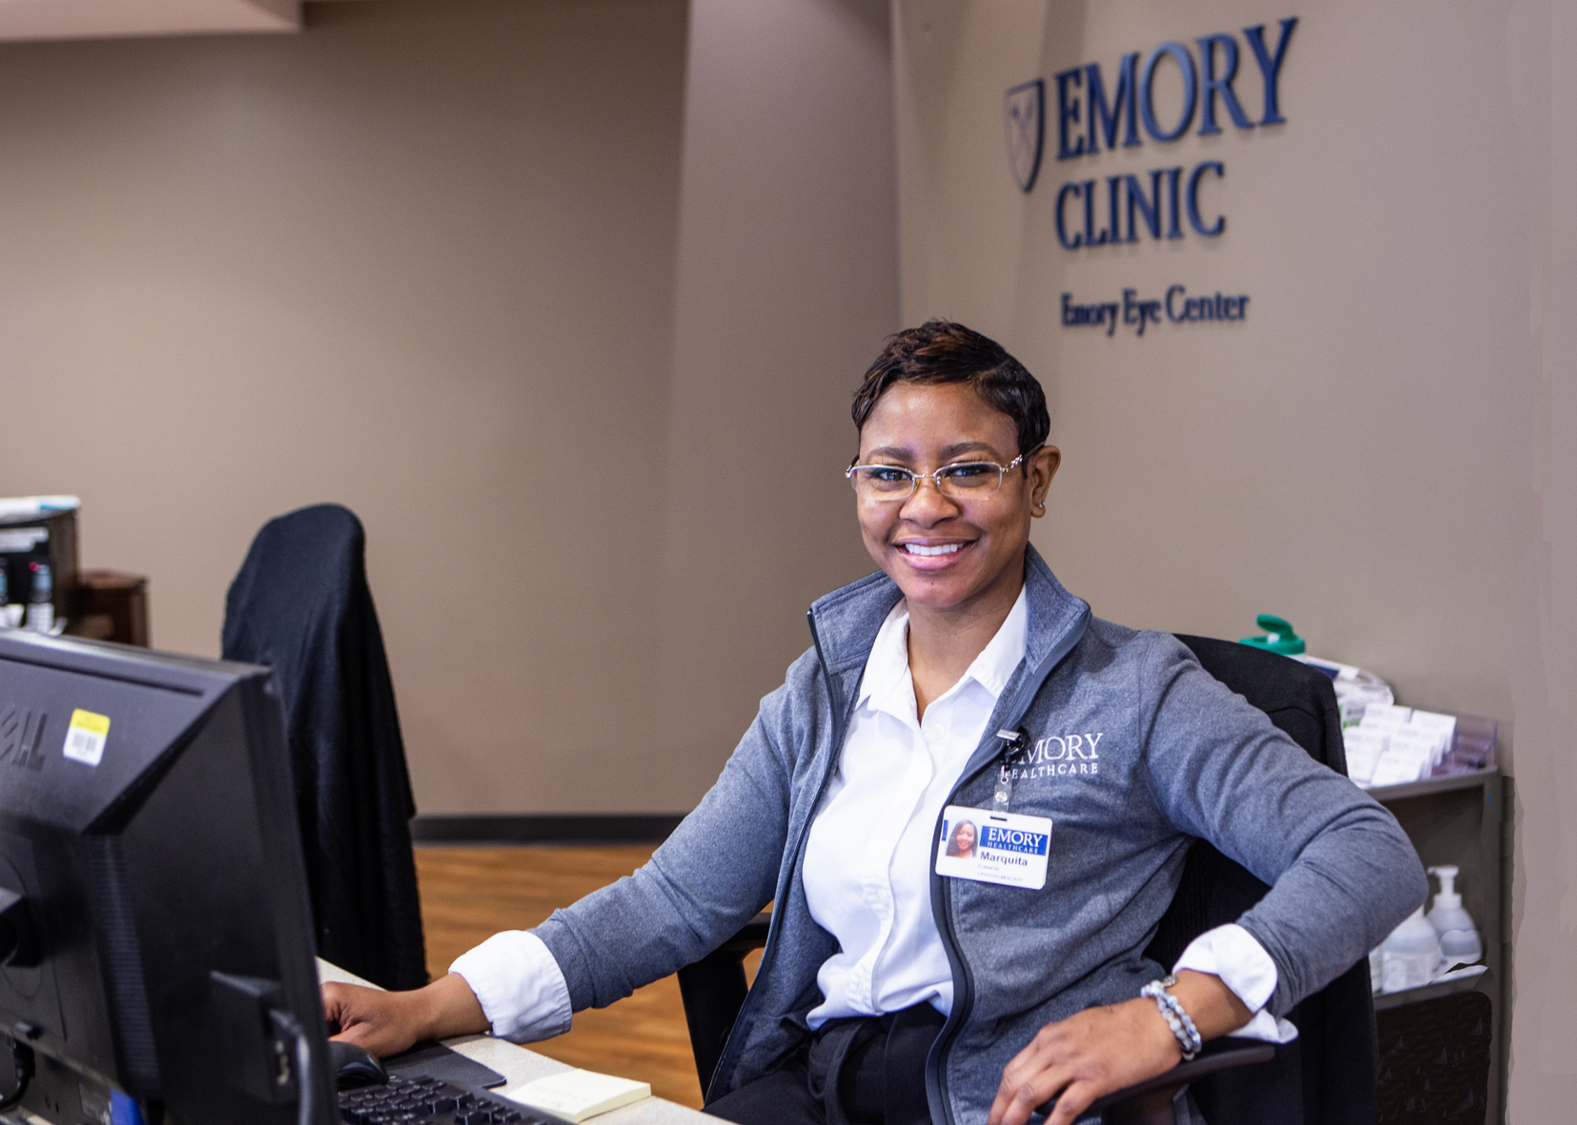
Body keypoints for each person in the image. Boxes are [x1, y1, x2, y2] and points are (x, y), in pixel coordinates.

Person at [324, 322, 1425, 1125]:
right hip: (821, 1078)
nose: (925, 507)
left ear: (1036, 480)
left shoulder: (1133, 693)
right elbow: (675, 897)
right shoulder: (824, 689)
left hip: (1012, 1102)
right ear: (858, 488)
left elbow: (1367, 853)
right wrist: (437, 1004)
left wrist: (1174, 1016)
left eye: (969, 471)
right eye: (890, 474)